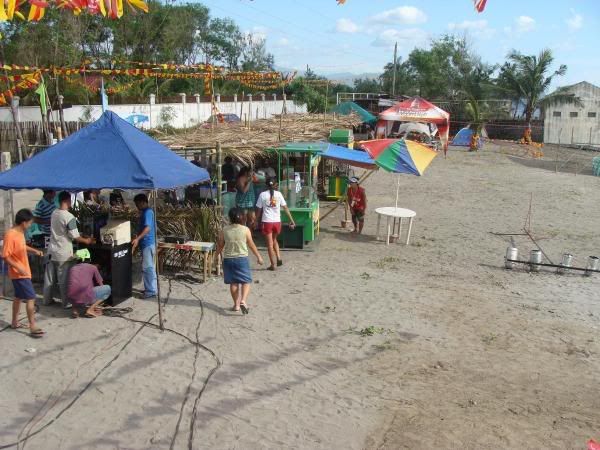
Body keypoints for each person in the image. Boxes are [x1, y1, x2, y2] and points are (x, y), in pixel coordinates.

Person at [44, 191, 95, 307]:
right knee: (64, 280)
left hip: (51, 250)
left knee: (49, 279)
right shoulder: (69, 217)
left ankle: (47, 300)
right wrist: (87, 240)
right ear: (67, 201)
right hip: (63, 253)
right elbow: (75, 236)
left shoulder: (54, 213)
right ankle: (65, 303)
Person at [3, 209, 45, 336]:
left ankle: (15, 322)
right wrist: (19, 267)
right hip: (20, 273)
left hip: (22, 271)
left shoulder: (20, 233)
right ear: (23, 222)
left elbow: (21, 247)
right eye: (30, 222)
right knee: (31, 298)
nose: (31, 225)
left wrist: (34, 250)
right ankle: (33, 326)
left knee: (18, 297)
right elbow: (5, 255)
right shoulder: (10, 234)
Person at [216, 207, 263, 314]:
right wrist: (259, 256)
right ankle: (243, 301)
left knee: (233, 283)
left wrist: (216, 256)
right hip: (242, 259)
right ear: (243, 218)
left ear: (230, 218)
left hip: (228, 260)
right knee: (246, 281)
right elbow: (251, 244)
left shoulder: (224, 229)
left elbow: (220, 245)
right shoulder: (245, 229)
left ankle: (236, 305)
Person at [256, 178, 295, 271]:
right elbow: (285, 208)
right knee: (274, 240)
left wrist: (256, 221)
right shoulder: (279, 194)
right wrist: (292, 220)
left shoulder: (262, 195)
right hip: (277, 222)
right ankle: (278, 258)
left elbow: (258, 210)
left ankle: (273, 265)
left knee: (269, 244)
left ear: (266, 185)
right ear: (275, 185)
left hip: (267, 222)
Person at [131, 193, 157, 298]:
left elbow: (148, 228)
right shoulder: (146, 212)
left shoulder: (148, 212)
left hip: (148, 243)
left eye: (137, 204)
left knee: (148, 268)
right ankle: (150, 288)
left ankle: (150, 291)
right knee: (149, 266)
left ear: (142, 202)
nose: (137, 207)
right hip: (147, 243)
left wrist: (138, 238)